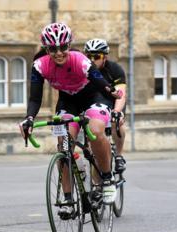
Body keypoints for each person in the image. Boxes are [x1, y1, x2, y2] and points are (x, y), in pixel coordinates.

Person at [19, 22, 122, 217]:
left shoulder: (80, 60)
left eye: (63, 47)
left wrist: (112, 92)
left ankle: (107, 178)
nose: (58, 53)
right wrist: (29, 119)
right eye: (52, 49)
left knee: (97, 132)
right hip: (68, 100)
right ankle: (67, 198)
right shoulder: (40, 65)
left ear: (69, 45)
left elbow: (100, 81)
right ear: (46, 48)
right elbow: (35, 98)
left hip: (93, 97)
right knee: (64, 143)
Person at [84, 38, 127, 172]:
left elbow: (121, 94)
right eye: (88, 56)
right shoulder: (83, 69)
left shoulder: (115, 69)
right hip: (92, 104)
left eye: (96, 56)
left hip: (112, 102)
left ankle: (119, 155)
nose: (92, 60)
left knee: (117, 121)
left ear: (105, 57)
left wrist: (117, 110)